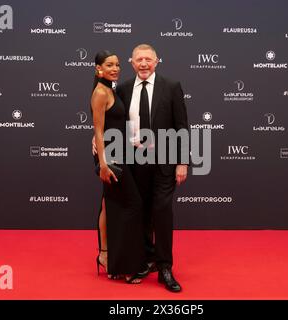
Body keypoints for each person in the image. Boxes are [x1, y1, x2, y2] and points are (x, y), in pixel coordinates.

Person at [116, 44, 189, 292]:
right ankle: (147, 259)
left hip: (165, 160)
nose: (144, 63)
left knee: (162, 210)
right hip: (136, 161)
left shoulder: (171, 86)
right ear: (131, 62)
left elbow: (182, 126)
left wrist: (182, 161)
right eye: (139, 60)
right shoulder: (124, 89)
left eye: (148, 59)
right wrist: (97, 137)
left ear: (157, 61)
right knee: (142, 212)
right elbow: (113, 120)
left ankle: (165, 266)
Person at [91, 50, 146, 284]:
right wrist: (103, 163)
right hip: (111, 158)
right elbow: (99, 130)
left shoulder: (111, 89)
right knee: (132, 205)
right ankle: (121, 264)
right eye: (109, 65)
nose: (115, 69)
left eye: (117, 65)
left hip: (119, 153)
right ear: (98, 69)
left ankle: (109, 260)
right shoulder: (101, 92)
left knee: (111, 205)